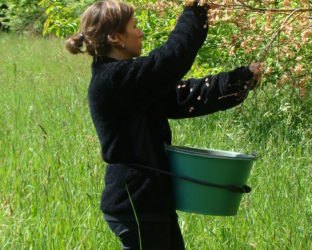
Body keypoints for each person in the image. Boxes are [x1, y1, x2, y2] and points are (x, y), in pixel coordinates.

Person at [66, 0, 262, 249]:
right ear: (116, 37)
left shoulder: (129, 81)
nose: (141, 32)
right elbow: (172, 57)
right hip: (137, 205)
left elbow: (184, 96)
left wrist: (239, 81)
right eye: (134, 26)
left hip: (149, 202)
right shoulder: (113, 80)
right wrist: (196, 7)